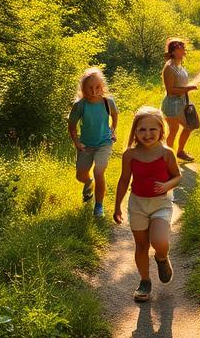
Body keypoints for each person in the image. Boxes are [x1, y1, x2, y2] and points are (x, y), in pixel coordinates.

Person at [113, 105, 182, 302]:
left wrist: (167, 185)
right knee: (141, 245)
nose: (148, 134)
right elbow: (124, 180)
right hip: (137, 205)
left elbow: (177, 177)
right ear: (135, 131)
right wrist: (117, 206)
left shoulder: (167, 153)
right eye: (142, 129)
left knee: (159, 241)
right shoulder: (130, 155)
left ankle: (161, 257)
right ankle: (144, 282)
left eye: (153, 129)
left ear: (161, 130)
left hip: (161, 204)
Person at [67, 67, 119, 218]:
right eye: (89, 87)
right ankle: (88, 182)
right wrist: (77, 142)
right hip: (86, 145)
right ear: (83, 88)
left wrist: (113, 130)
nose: (94, 90)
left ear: (102, 86)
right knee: (80, 175)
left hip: (104, 143)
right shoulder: (80, 105)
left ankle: (98, 206)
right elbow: (71, 126)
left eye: (97, 87)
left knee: (99, 171)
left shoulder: (107, 102)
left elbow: (115, 115)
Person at [161, 37, 197, 161]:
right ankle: (172, 154)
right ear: (174, 51)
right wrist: (188, 89)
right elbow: (170, 90)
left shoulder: (179, 64)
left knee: (177, 129)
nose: (184, 50)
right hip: (172, 104)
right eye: (181, 48)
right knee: (185, 127)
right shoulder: (169, 67)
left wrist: (185, 91)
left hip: (182, 102)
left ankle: (172, 154)